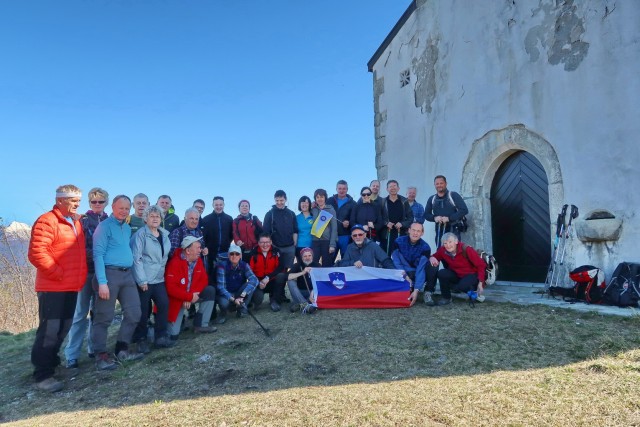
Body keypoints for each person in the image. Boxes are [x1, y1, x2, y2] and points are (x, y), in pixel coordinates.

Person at [28, 184, 87, 392]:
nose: (77, 204)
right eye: (73, 201)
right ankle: (42, 376)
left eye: (78, 201)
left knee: (63, 328)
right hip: (53, 286)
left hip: (71, 286)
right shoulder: (47, 221)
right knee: (49, 330)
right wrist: (58, 274)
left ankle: (53, 366)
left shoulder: (75, 222)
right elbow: (37, 253)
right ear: (60, 200)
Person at [91, 195, 144, 371]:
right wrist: (102, 282)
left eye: (127, 208)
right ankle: (101, 356)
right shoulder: (104, 227)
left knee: (134, 313)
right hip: (109, 275)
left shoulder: (127, 228)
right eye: (121, 207)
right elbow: (97, 254)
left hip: (127, 275)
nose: (124, 211)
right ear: (113, 207)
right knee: (103, 317)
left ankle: (122, 349)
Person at [64, 187, 108, 370]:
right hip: (86, 272)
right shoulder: (81, 220)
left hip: (103, 274)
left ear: (106, 203)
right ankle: (71, 354)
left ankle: (92, 348)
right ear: (89, 203)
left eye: (101, 201)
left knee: (97, 313)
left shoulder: (109, 220)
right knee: (80, 314)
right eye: (94, 201)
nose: (97, 205)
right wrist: (98, 255)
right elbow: (77, 245)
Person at [130, 205, 173, 352]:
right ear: (146, 218)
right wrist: (141, 280)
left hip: (159, 278)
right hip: (145, 279)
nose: (155, 219)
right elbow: (137, 258)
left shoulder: (164, 235)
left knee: (163, 304)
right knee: (143, 310)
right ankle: (140, 339)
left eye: (157, 216)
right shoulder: (141, 235)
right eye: (152, 216)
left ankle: (160, 336)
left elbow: (165, 256)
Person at [165, 236, 217, 339]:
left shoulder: (198, 261)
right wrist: (187, 297)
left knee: (209, 290)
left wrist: (192, 295)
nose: (200, 250)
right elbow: (170, 288)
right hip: (177, 300)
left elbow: (204, 280)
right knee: (173, 336)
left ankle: (201, 325)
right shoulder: (174, 263)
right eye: (197, 247)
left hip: (190, 295)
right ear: (188, 250)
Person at [429, 232, 486, 305]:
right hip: (457, 274)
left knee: (461, 286)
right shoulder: (443, 250)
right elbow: (435, 256)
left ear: (456, 241)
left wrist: (481, 283)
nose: (448, 245)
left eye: (450, 242)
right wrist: (432, 258)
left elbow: (481, 265)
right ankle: (446, 298)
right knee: (442, 273)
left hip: (471, 274)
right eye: (445, 243)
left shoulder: (467, 249)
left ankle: (474, 292)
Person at [391, 222, 438, 306]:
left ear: (422, 233)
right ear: (409, 230)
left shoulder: (426, 247)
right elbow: (396, 262)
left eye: (418, 231)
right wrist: (405, 276)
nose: (415, 233)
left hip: (416, 274)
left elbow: (421, 269)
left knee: (433, 265)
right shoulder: (398, 242)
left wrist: (417, 289)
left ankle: (427, 292)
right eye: (413, 230)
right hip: (402, 272)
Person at [215, 244, 259, 324]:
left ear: (240, 255)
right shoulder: (222, 266)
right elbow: (221, 288)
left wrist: (242, 295)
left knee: (250, 285)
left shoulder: (244, 265)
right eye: (232, 254)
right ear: (228, 255)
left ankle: (242, 310)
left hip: (239, 292)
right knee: (223, 303)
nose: (234, 256)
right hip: (227, 294)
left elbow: (254, 280)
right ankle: (223, 313)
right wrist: (233, 299)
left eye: (237, 254)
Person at [424, 175, 469, 247]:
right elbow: (426, 214)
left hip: (454, 229)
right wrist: (434, 218)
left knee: (454, 253)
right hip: (439, 230)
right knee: (440, 252)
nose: (439, 185)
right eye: (437, 184)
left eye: (441, 183)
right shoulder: (432, 199)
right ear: (434, 185)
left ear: (446, 183)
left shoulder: (453, 195)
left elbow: (464, 210)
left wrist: (449, 218)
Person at [263, 189, 298, 275]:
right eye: (277, 200)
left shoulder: (291, 213)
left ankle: (283, 286)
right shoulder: (269, 214)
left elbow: (295, 230)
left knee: (286, 271)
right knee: (276, 270)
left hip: (290, 247)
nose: (279, 202)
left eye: (281, 200)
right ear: (274, 200)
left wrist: (294, 244)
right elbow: (265, 232)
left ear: (285, 200)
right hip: (276, 247)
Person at [249, 233, 285, 311]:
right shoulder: (253, 253)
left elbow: (281, 267)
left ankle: (275, 300)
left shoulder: (276, 251)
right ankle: (253, 301)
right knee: (258, 300)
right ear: (258, 243)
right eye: (262, 242)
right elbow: (249, 272)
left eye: (267, 242)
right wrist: (258, 282)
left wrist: (268, 277)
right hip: (259, 282)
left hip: (272, 279)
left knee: (281, 276)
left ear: (271, 242)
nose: (265, 245)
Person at [201, 196, 234, 275]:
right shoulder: (206, 219)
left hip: (225, 253)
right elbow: (203, 236)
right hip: (210, 254)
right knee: (211, 276)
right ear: (213, 205)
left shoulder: (229, 219)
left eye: (220, 205)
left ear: (224, 205)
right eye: (216, 205)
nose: (218, 207)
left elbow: (231, 235)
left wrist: (226, 244)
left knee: (224, 275)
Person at [381, 180, 412, 256]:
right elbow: (378, 218)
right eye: (390, 186)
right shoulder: (382, 202)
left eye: (394, 186)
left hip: (401, 233)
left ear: (398, 188)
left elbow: (410, 217)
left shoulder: (404, 201)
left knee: (401, 256)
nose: (393, 188)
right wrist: (386, 223)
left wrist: (402, 224)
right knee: (387, 256)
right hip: (387, 234)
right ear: (387, 189)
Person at [328, 180, 356, 258]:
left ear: (347, 189)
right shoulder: (329, 201)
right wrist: (313, 204)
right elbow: (320, 208)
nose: (341, 190)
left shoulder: (353, 203)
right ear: (336, 189)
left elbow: (355, 219)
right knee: (329, 260)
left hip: (345, 236)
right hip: (332, 236)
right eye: (339, 188)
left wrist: (349, 222)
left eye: (344, 188)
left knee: (346, 260)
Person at [310, 188, 338, 267]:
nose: (320, 199)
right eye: (317, 197)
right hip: (315, 241)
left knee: (327, 264)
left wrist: (332, 244)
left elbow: (334, 228)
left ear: (325, 198)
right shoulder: (313, 209)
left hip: (327, 241)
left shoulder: (330, 210)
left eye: (321, 197)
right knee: (313, 264)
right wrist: (311, 206)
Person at [287, 247, 319, 314]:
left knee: (315, 296)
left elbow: (320, 281)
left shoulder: (317, 265)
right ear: (302, 257)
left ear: (312, 256)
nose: (307, 258)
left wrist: (312, 294)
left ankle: (299, 304)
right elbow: (288, 277)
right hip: (299, 292)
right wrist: (303, 272)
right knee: (290, 282)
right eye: (305, 256)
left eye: (309, 255)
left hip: (312, 292)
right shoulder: (297, 265)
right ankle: (305, 305)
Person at [295, 195, 314, 264]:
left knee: (311, 267)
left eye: (306, 203)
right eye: (302, 203)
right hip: (299, 246)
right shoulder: (296, 217)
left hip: (312, 245)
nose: (304, 204)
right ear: (300, 205)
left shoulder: (314, 217)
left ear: (309, 204)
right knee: (301, 267)